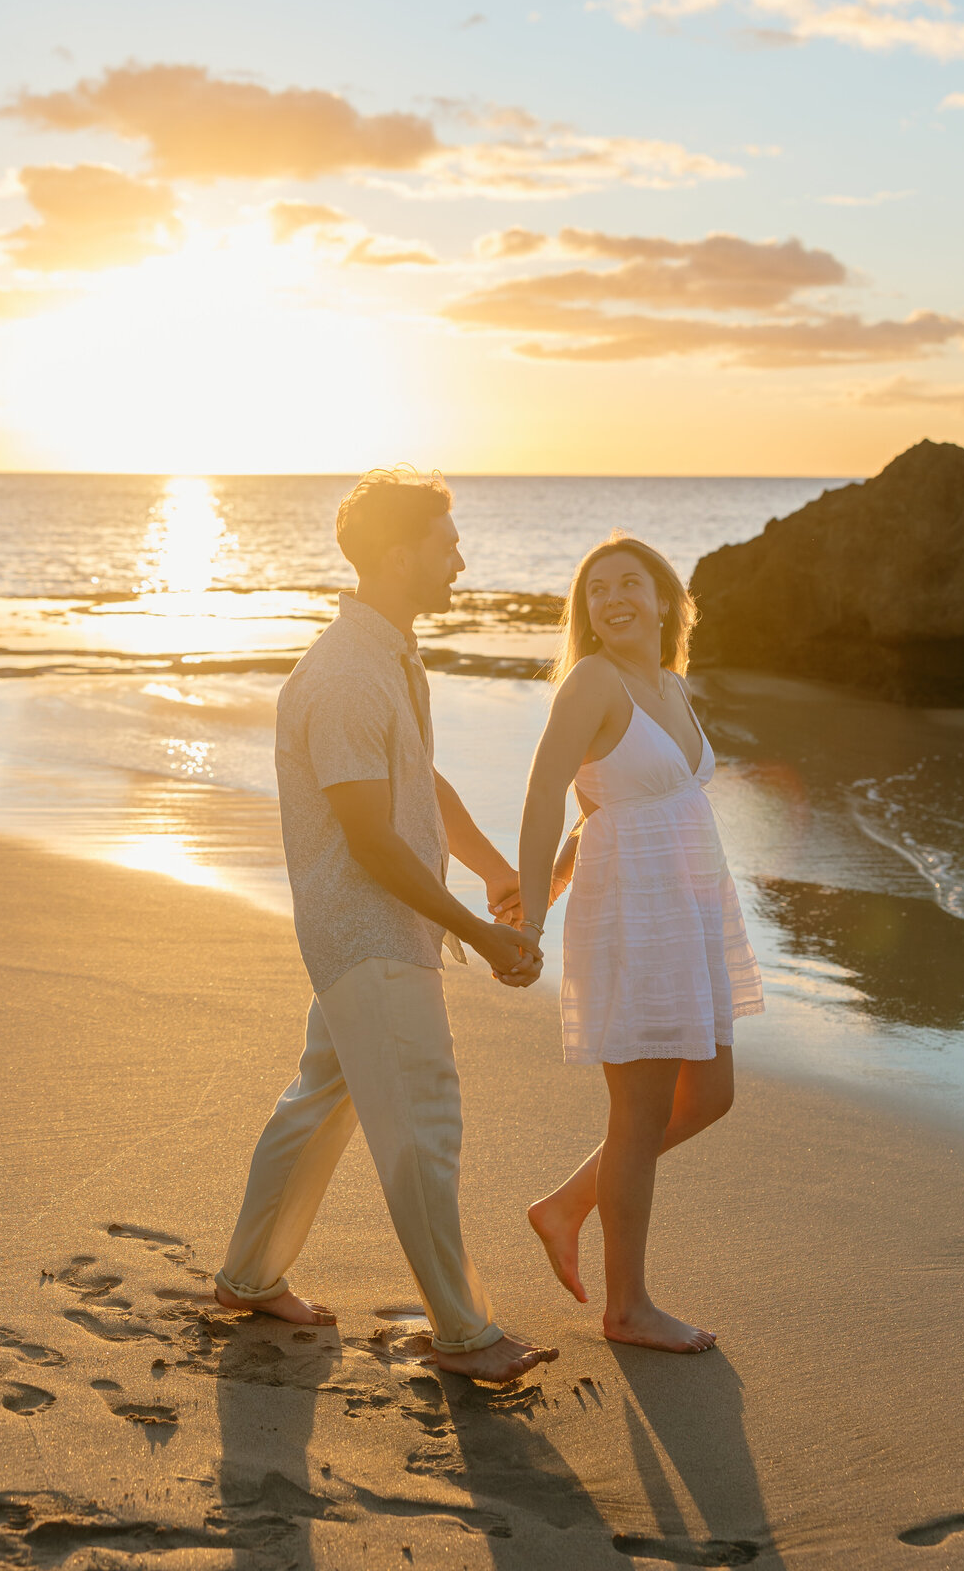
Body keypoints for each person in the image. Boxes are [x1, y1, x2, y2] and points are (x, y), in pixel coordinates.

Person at [215, 469, 556, 1385]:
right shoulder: (344, 676)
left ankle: (249, 1276)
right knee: (422, 1126)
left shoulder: (391, 657)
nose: (460, 561)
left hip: (376, 934)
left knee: (320, 1102)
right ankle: (466, 1334)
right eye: (447, 545)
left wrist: (495, 875)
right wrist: (481, 937)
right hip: (366, 934)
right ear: (402, 554)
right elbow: (370, 842)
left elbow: (422, 786)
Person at [517, 534, 763, 1353]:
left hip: (688, 911)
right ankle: (627, 1308)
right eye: (596, 591)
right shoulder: (593, 680)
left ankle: (564, 1206)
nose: (613, 599)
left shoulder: (671, 685)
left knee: (710, 1094)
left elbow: (607, 805)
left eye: (630, 583)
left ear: (666, 599)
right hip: (634, 915)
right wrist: (530, 919)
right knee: (640, 1110)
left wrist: (551, 876)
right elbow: (548, 788)